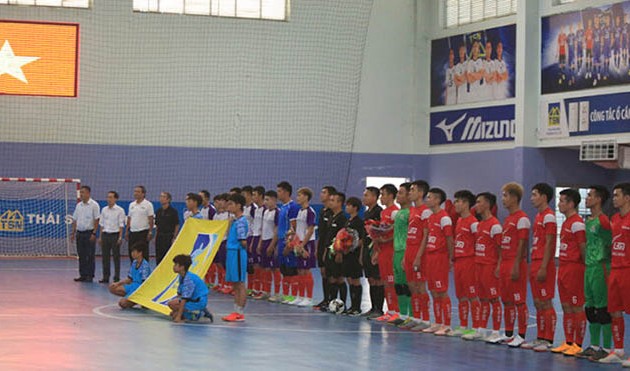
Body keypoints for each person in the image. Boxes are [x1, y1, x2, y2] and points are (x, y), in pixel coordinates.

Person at [522, 183, 557, 352]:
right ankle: (540, 337)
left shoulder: (549, 216)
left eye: (535, 194)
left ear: (544, 197)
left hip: (544, 263)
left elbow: (550, 243)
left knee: (546, 302)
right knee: (537, 302)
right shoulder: (538, 216)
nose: (532, 198)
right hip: (535, 262)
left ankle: (548, 339)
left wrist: (544, 266)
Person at [462, 192, 503, 342]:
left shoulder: (495, 226)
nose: (476, 205)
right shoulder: (480, 225)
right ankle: (481, 329)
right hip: (479, 266)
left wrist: (498, 267)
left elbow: (501, 249)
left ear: (487, 204)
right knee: (483, 299)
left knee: (494, 299)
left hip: (490, 267)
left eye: (479, 202)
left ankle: (496, 332)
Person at [551, 189, 587, 356]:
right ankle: (568, 341)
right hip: (563, 268)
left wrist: (585, 268)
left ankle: (578, 344)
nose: (559, 204)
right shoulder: (566, 222)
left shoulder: (577, 223)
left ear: (571, 203)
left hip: (574, 268)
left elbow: (582, 247)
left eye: (563, 201)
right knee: (566, 307)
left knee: (576, 307)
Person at [579, 185, 612, 361]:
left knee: (602, 309)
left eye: (590, 195)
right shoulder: (589, 221)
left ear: (599, 199)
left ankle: (606, 348)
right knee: (590, 308)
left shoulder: (604, 221)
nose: (587, 198)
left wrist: (606, 263)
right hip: (589, 267)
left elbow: (610, 244)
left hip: (600, 268)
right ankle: (593, 346)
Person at [414, 188, 454, 335]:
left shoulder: (445, 218)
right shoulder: (430, 217)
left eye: (429, 197)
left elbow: (450, 240)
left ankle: (447, 324)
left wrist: (451, 258)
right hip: (430, 257)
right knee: (433, 291)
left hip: (440, 258)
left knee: (441, 291)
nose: (427, 199)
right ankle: (437, 322)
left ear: (437, 200)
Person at [598, 183, 630, 366]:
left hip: (628, 270)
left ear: (627, 198)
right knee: (615, 311)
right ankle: (618, 350)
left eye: (617, 195)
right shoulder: (615, 218)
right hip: (615, 270)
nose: (614, 198)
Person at [499, 182, 531, 347]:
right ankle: (509, 333)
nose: (503, 199)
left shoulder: (522, 219)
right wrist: (499, 265)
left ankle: (522, 335)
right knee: (507, 300)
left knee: (519, 301)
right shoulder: (508, 219)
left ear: (514, 197)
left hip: (515, 262)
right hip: (505, 262)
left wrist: (517, 264)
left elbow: (522, 243)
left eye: (505, 196)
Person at [451, 190, 480, 338]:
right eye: (455, 201)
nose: (456, 204)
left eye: (458, 201)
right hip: (459, 261)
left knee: (472, 295)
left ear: (467, 203)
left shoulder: (474, 222)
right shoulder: (459, 221)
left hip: (470, 261)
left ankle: (476, 328)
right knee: (461, 296)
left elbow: (479, 242)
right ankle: (463, 326)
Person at [405, 180, 433, 332]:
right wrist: (406, 256)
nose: (410, 192)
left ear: (421, 193)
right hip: (409, 250)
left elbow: (426, 235)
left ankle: (426, 319)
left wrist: (418, 256)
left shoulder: (425, 211)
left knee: (420, 286)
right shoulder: (412, 210)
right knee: (412, 286)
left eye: (413, 190)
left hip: (419, 252)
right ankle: (416, 317)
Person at [373, 184, 400, 322]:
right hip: (383, 251)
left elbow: (398, 232)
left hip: (392, 251)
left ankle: (397, 311)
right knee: (386, 283)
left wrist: (385, 238)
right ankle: (390, 311)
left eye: (383, 194)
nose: (381, 198)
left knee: (392, 282)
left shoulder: (396, 212)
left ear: (390, 195)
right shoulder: (383, 213)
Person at [222, 193, 249, 322]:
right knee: (235, 283)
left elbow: (243, 241)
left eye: (231, 204)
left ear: (239, 206)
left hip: (237, 253)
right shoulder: (234, 221)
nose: (229, 206)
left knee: (240, 283)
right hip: (232, 252)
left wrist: (239, 248)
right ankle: (235, 310)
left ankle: (240, 312)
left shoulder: (242, 222)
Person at [361, 187, 384, 319]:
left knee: (378, 279)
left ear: (375, 197)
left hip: (375, 248)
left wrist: (376, 250)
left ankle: (379, 309)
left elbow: (380, 233)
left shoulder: (378, 212)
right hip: (366, 248)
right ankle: (373, 307)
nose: (364, 198)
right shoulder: (366, 212)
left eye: (367, 195)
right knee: (370, 279)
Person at [167, 254, 213, 323]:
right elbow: (180, 295)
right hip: (192, 300)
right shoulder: (182, 276)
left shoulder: (189, 279)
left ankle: (198, 313)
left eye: (176, 264)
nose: (173, 267)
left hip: (198, 301)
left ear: (182, 267)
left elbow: (184, 299)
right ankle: (190, 312)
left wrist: (178, 316)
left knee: (174, 310)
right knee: (172, 307)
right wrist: (175, 311)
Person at [276, 181, 301, 304]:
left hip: (288, 242)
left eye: (279, 191)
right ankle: (286, 295)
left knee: (292, 269)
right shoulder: (282, 207)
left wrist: (289, 243)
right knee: (283, 269)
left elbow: (294, 227)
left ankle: (294, 296)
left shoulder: (293, 207)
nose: (278, 194)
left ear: (286, 192)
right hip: (280, 241)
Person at [391, 183, 412, 327]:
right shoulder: (398, 213)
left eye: (401, 193)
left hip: (406, 251)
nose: (398, 195)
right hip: (396, 251)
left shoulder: (411, 213)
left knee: (407, 286)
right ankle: (402, 314)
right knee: (398, 285)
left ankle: (411, 316)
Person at [323, 192, 348, 310]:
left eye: (333, 200)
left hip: (337, 253)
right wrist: (325, 251)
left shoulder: (343, 218)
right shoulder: (332, 216)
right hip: (329, 252)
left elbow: (343, 237)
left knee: (339, 278)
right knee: (331, 278)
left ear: (339, 203)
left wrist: (339, 252)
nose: (330, 202)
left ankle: (343, 304)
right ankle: (332, 303)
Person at [292, 187, 317, 307]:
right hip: (299, 243)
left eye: (300, 195)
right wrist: (296, 243)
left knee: (306, 270)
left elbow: (310, 230)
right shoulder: (300, 211)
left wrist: (303, 245)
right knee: (300, 270)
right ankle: (300, 296)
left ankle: (309, 297)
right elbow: (298, 229)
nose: (298, 198)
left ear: (306, 197)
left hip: (307, 243)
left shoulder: (310, 211)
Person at [314, 186, 337, 310]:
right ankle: (325, 299)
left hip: (330, 247)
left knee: (330, 274)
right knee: (323, 273)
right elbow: (321, 233)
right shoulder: (323, 211)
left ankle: (332, 301)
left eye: (324, 192)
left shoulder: (332, 212)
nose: (321, 194)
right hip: (322, 245)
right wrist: (318, 247)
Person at [71, 185, 100, 282]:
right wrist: (73, 232)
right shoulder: (78, 205)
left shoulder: (94, 205)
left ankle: (90, 275)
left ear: (88, 193)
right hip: (80, 233)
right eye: (80, 192)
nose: (81, 194)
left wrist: (94, 233)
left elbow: (97, 220)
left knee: (90, 255)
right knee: (81, 255)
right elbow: (75, 219)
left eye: (83, 192)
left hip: (89, 233)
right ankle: (82, 274)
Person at [109, 242, 151, 309]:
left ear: (140, 253)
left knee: (122, 304)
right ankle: (131, 299)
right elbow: (129, 279)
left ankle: (138, 300)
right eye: (132, 252)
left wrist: (136, 294)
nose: (132, 254)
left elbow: (144, 283)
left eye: (134, 252)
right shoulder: (134, 262)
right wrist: (117, 283)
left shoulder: (145, 265)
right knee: (112, 288)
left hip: (139, 289)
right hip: (132, 286)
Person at [343, 196, 366, 316]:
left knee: (355, 280)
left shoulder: (359, 222)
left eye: (348, 205)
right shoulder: (348, 221)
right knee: (349, 279)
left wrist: (351, 247)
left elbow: (361, 239)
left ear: (355, 208)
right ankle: (352, 305)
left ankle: (357, 307)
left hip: (354, 254)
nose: (346, 207)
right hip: (347, 254)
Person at [98, 191, 125, 283]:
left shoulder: (120, 210)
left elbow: (121, 224)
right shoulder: (104, 209)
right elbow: (101, 224)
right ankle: (106, 277)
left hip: (115, 235)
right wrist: (100, 237)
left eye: (111, 197)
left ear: (115, 199)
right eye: (108, 197)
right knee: (105, 257)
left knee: (116, 257)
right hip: (105, 235)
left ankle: (116, 277)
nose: (109, 199)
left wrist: (120, 237)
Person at [257, 190, 279, 301]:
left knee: (274, 268)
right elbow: (263, 228)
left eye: (267, 199)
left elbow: (276, 230)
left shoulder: (277, 212)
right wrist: (260, 243)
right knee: (264, 268)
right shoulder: (265, 212)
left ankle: (277, 293)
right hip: (264, 241)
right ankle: (266, 291)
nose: (265, 202)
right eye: (265, 199)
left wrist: (272, 245)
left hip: (271, 241)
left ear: (274, 200)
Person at [125, 185, 154, 263]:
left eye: (138, 192)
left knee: (143, 254)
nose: (135, 193)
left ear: (143, 194)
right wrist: (127, 231)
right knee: (132, 253)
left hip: (143, 233)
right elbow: (129, 218)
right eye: (135, 191)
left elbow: (151, 219)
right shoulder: (131, 205)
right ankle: (134, 272)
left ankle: (144, 273)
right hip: (132, 233)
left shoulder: (148, 204)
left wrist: (150, 232)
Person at [154, 192, 180, 266]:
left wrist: (174, 237)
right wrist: (155, 236)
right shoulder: (158, 211)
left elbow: (177, 225)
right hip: (159, 236)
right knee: (159, 256)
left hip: (169, 236)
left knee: (168, 256)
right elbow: (157, 226)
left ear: (168, 199)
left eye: (164, 197)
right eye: (160, 196)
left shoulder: (173, 211)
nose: (161, 198)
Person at [250, 186, 266, 299]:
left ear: (260, 195)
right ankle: (256, 288)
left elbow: (264, 228)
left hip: (263, 238)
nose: (253, 197)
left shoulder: (266, 209)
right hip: (254, 238)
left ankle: (263, 289)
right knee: (255, 265)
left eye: (255, 195)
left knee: (262, 266)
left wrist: (260, 241)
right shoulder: (257, 210)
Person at [213, 193, 231, 294]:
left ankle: (228, 284)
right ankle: (221, 283)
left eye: (221, 201)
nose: (219, 203)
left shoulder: (229, 215)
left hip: (226, 241)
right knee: (219, 263)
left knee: (226, 264)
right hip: (218, 241)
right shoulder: (216, 215)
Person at [242, 186, 258, 296]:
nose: (243, 197)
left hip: (252, 238)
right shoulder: (244, 208)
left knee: (253, 265)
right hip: (244, 238)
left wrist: (252, 240)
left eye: (244, 195)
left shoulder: (254, 208)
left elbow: (256, 224)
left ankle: (255, 289)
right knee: (247, 265)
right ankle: (250, 287)